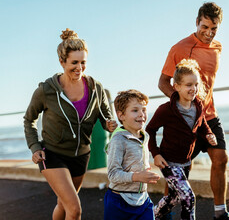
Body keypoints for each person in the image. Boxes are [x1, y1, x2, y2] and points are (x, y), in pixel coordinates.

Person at [23, 28, 118, 220]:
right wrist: (34, 147)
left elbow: (105, 114)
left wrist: (109, 124)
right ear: (62, 62)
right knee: (75, 209)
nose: (79, 68)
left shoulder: (95, 87)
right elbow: (29, 120)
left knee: (63, 204)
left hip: (81, 155)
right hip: (52, 154)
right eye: (74, 63)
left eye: (83, 62)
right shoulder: (46, 90)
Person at [158, 2, 229, 220]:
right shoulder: (179, 48)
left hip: (209, 116)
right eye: (205, 27)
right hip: (186, 120)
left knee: (221, 158)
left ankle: (220, 212)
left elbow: (208, 83)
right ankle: (165, 213)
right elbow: (163, 82)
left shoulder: (217, 48)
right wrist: (181, 105)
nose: (209, 33)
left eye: (214, 29)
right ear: (197, 22)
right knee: (179, 172)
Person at [147, 59, 217, 220]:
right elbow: (150, 130)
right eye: (188, 85)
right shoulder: (166, 110)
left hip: (185, 161)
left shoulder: (198, 105)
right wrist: (155, 153)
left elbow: (202, 124)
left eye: (196, 84)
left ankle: (151, 216)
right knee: (188, 197)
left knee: (174, 197)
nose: (193, 89)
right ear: (176, 86)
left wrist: (209, 134)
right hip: (168, 161)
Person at [104, 89, 160, 220]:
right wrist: (137, 176)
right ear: (121, 115)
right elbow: (112, 174)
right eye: (135, 110)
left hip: (142, 199)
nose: (141, 114)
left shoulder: (144, 136)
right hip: (119, 201)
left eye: (144, 110)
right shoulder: (118, 140)